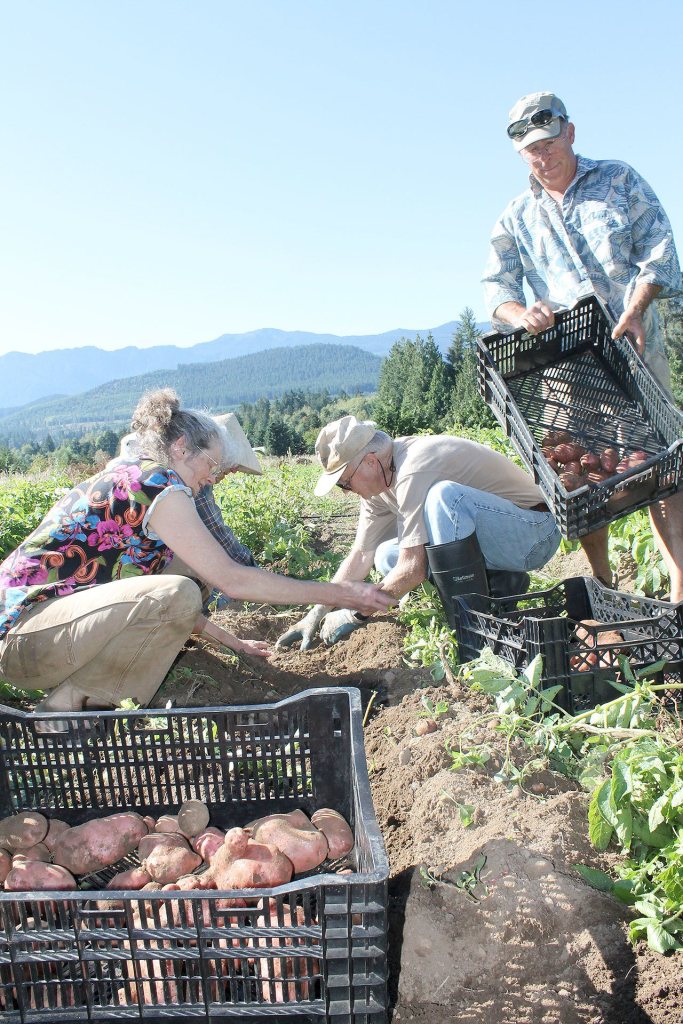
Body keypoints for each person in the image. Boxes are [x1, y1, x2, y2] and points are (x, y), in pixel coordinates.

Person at [0, 390, 393, 730]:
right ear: (182, 447)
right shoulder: (157, 484)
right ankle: (65, 709)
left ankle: (80, 705)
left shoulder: (143, 481)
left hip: (44, 635)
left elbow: (161, 603)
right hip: (24, 638)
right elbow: (231, 580)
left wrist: (233, 642)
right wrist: (340, 594)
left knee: (187, 575)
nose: (212, 477)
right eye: (211, 465)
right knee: (182, 587)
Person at [481, 90, 683, 602]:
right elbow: (496, 289)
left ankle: (681, 592)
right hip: (567, 367)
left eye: (550, 142)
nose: (543, 155)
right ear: (520, 155)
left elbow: (659, 249)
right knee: (584, 479)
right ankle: (604, 583)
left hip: (633, 348)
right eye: (532, 149)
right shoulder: (516, 217)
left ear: (570, 133)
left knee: (662, 470)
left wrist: (636, 307)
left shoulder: (618, 180)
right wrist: (521, 315)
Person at [276, 415, 561, 649]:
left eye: (345, 483)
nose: (347, 492)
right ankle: (501, 584)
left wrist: (356, 612)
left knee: (446, 499)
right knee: (386, 554)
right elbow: (361, 555)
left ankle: (473, 634)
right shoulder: (379, 485)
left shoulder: (413, 467)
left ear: (370, 462)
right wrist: (318, 610)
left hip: (535, 534)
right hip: (501, 541)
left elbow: (413, 568)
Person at [116, 411, 260, 611]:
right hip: (119, 597)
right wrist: (251, 574)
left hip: (126, 582)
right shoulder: (179, 484)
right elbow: (218, 536)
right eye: (220, 468)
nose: (218, 477)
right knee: (202, 585)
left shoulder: (133, 475)